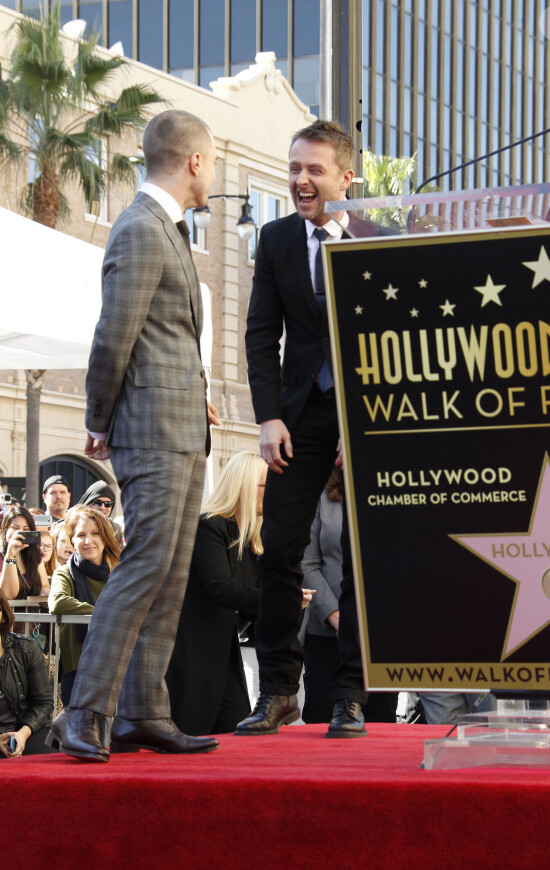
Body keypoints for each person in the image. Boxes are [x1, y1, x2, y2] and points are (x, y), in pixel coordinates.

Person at [47, 109, 221, 762]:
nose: (214, 174)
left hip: (177, 428)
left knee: (169, 576)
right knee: (145, 566)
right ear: (195, 161)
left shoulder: (163, 228)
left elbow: (161, 337)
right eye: (213, 163)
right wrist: (99, 418)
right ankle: (84, 712)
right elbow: (112, 335)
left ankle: (144, 713)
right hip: (150, 431)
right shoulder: (142, 229)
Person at [239, 120, 394, 739]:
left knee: (360, 554)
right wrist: (268, 415)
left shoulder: (378, 235)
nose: (301, 181)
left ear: (345, 177)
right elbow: (260, 334)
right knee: (279, 548)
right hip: (298, 415)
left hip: (366, 416)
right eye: (294, 168)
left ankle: (350, 695)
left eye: (315, 170)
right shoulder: (275, 240)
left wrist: (365, 417)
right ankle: (278, 691)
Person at [168, 452, 283, 734]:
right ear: (245, 486)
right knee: (194, 728)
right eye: (266, 486)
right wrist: (279, 600)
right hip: (192, 647)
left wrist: (287, 598)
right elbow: (221, 587)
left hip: (221, 648)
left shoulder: (250, 537)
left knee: (233, 730)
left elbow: (252, 595)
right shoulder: (210, 524)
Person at [300, 469, 398, 724]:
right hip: (325, 634)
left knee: (380, 724)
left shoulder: (392, 492)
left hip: (379, 635)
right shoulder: (318, 496)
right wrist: (335, 616)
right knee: (320, 722)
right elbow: (306, 563)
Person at [48, 507, 120, 706]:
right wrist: (104, 613)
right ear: (72, 541)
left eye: (95, 533)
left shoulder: (120, 573)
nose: (88, 541)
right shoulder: (64, 573)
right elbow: (57, 602)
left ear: (105, 537)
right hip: (79, 671)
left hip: (118, 666)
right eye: (81, 535)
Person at [0, 589, 54, 757]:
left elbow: (44, 703)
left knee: (52, 763)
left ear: (3, 615)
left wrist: (22, 734)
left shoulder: (25, 648)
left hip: (26, 729)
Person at [0, 507, 47, 600]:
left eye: (26, 529)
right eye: (15, 528)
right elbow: (8, 594)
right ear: (5, 530)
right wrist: (10, 555)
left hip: (32, 613)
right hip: (7, 613)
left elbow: (44, 586)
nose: (20, 532)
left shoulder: (35, 553)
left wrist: (46, 594)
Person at [77, 480, 124, 546]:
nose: (102, 507)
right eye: (97, 502)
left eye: (108, 504)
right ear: (87, 503)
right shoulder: (74, 524)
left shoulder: (116, 529)